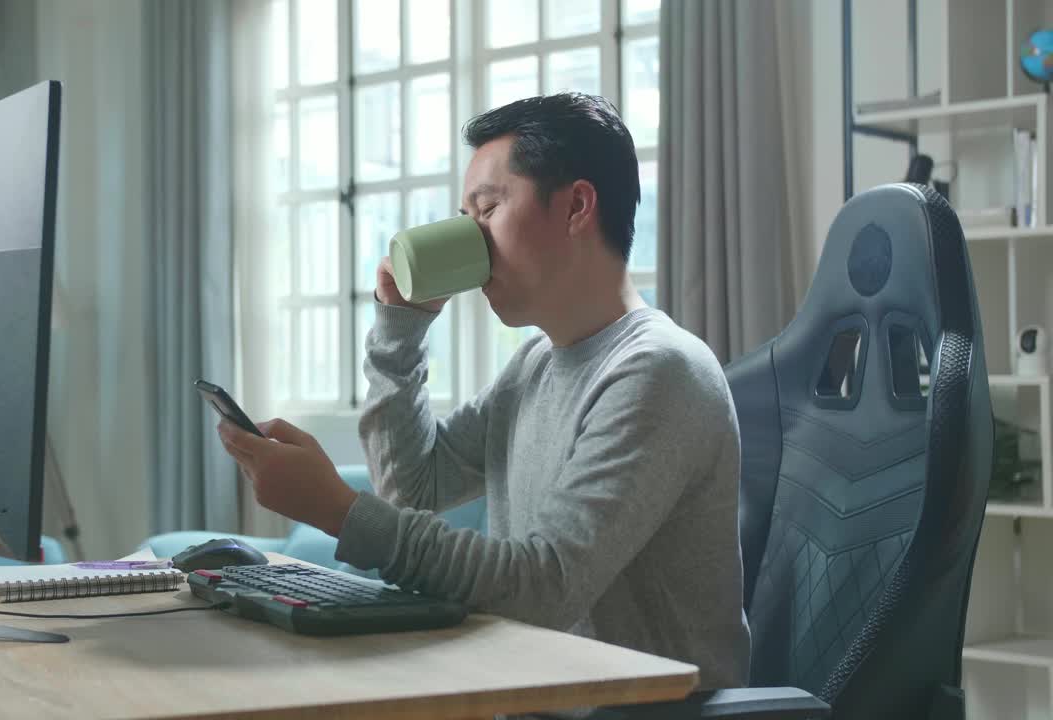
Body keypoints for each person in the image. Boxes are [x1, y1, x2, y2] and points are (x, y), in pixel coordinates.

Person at [217, 92, 750, 689]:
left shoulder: (660, 371)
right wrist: (401, 326)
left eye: (488, 209)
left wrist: (338, 511)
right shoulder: (534, 366)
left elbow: (544, 587)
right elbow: (414, 488)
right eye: (466, 219)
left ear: (576, 206)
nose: (473, 241)